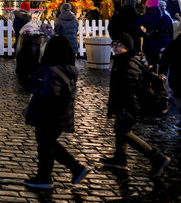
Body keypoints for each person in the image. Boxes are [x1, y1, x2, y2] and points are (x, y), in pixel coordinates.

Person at [22, 36, 90, 189]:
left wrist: (31, 86)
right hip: (57, 114)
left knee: (46, 145)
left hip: (50, 115)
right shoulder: (66, 69)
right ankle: (56, 173)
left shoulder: (52, 70)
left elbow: (51, 93)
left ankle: (48, 176)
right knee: (48, 144)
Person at [100, 33, 171, 177]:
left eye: (117, 45)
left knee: (125, 132)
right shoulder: (126, 59)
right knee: (119, 129)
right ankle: (120, 158)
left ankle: (157, 158)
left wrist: (123, 106)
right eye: (113, 44)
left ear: (124, 46)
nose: (114, 48)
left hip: (129, 105)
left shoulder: (127, 62)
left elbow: (130, 85)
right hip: (127, 104)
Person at [133, 0, 172, 69]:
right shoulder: (166, 16)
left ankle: (153, 77)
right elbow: (170, 30)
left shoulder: (146, 16)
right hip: (165, 42)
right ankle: (163, 77)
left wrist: (143, 33)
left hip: (151, 43)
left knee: (151, 64)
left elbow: (135, 25)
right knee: (164, 64)